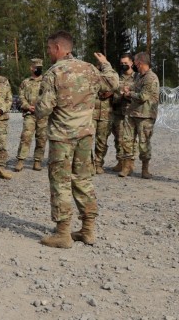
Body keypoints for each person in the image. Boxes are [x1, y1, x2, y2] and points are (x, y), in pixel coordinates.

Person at [35, 31, 118, 249]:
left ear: (59, 49)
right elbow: (112, 85)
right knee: (83, 180)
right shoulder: (89, 68)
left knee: (60, 182)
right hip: (85, 135)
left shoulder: (54, 73)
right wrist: (106, 65)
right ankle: (88, 230)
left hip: (62, 137)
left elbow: (44, 109)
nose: (48, 53)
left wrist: (37, 107)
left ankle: (63, 234)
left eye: (49, 49)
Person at [119, 52, 159, 179]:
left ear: (140, 63)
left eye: (135, 63)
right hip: (132, 113)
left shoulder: (150, 78)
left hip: (145, 115)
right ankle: (127, 167)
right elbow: (134, 88)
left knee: (144, 143)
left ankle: (145, 169)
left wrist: (128, 94)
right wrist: (128, 89)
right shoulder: (139, 77)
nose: (134, 65)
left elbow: (143, 96)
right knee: (127, 140)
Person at [15, 58, 48, 171]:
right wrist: (27, 106)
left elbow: (50, 96)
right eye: (36, 67)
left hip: (43, 114)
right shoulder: (26, 82)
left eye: (40, 68)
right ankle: (20, 160)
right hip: (29, 113)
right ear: (31, 68)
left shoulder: (46, 81)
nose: (38, 69)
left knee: (42, 138)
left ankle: (37, 161)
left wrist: (43, 107)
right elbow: (21, 96)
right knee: (26, 137)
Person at [110, 54, 136, 172]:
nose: (123, 65)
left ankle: (129, 163)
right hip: (118, 111)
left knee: (130, 139)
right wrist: (119, 94)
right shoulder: (118, 77)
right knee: (118, 137)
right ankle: (120, 161)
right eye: (122, 63)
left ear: (132, 63)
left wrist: (128, 94)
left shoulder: (137, 78)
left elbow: (140, 94)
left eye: (126, 63)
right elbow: (114, 93)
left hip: (131, 112)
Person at [92, 83, 113, 175]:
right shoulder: (91, 73)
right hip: (91, 114)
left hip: (106, 114)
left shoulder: (111, 77)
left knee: (102, 141)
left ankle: (98, 163)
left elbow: (118, 95)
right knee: (86, 140)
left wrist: (112, 93)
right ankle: (88, 164)